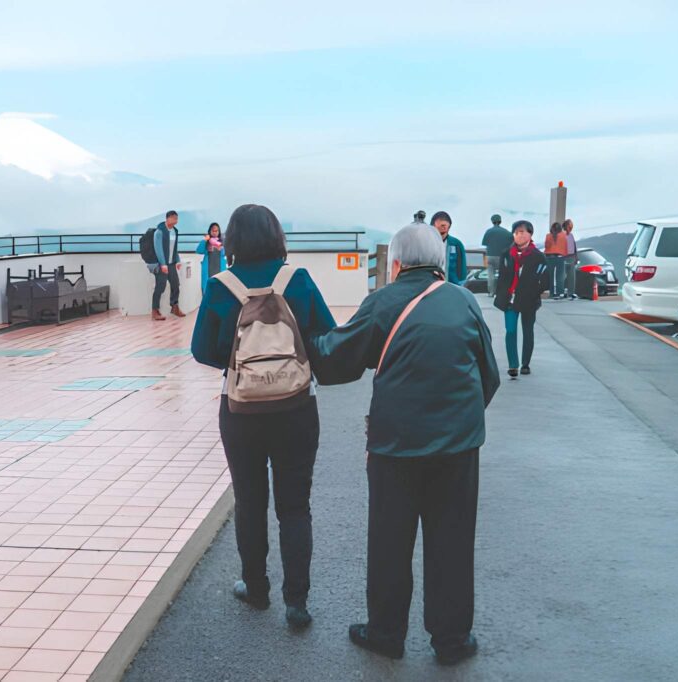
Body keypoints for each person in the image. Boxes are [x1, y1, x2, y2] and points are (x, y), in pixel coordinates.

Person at [308, 222, 500, 666]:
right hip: (458, 446)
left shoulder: (383, 301)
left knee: (390, 541)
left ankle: (385, 634)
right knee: (452, 540)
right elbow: (488, 374)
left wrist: (305, 333)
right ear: (439, 262)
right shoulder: (464, 300)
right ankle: (452, 640)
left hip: (395, 446)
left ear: (395, 264)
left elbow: (337, 358)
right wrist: (461, 423)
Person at [191, 204, 336, 630]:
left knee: (250, 500)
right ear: (277, 236)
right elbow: (326, 334)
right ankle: (297, 603)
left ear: (232, 239)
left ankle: (255, 588)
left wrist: (239, 364)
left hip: (241, 410)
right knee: (295, 506)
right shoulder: (297, 279)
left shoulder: (221, 286)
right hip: (296, 406)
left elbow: (201, 349)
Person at [494, 221, 548, 378]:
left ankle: (525, 364)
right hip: (510, 299)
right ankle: (513, 365)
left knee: (527, 331)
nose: (519, 235)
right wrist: (501, 293)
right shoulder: (506, 254)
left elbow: (545, 280)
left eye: (523, 232)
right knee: (510, 330)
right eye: (516, 232)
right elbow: (502, 277)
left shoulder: (538, 256)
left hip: (529, 300)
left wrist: (534, 292)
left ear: (530, 234)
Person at [150, 210, 185, 321]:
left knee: (176, 285)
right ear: (167, 218)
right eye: (174, 218)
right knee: (160, 287)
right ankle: (155, 310)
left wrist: (177, 260)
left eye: (177, 218)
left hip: (172, 264)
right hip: (161, 264)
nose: (176, 220)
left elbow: (174, 248)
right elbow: (158, 249)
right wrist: (163, 264)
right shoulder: (159, 232)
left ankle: (174, 307)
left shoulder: (174, 231)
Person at [481, 214, 513, 297]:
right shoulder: (506, 232)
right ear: (500, 221)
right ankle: (501, 292)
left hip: (490, 256)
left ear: (492, 221)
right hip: (501, 257)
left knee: (490, 275)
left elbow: (484, 243)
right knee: (502, 275)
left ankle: (491, 292)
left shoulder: (489, 231)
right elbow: (512, 243)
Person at [432, 211, 467, 285]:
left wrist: (461, 284)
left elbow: (462, 268)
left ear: (449, 226)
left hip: (452, 285)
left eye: (444, 225)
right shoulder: (426, 243)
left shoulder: (456, 244)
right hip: (431, 285)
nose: (442, 228)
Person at [195, 222, 228, 294]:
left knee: (220, 290)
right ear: (210, 231)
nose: (215, 232)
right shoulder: (207, 242)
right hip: (208, 270)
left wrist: (221, 248)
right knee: (207, 290)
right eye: (213, 231)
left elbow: (226, 253)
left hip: (220, 269)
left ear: (219, 232)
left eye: (216, 231)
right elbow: (199, 251)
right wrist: (204, 240)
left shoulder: (222, 241)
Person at [544, 222, 568, 298]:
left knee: (550, 277)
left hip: (549, 258)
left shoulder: (548, 236)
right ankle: (559, 293)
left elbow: (546, 246)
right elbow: (566, 247)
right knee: (559, 277)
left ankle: (552, 293)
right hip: (560, 258)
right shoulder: (564, 235)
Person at [563, 218, 579, 299]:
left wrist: (576, 257)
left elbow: (574, 246)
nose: (571, 228)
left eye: (571, 227)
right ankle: (562, 292)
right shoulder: (562, 235)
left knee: (572, 276)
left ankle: (571, 293)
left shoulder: (571, 235)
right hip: (564, 257)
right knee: (562, 276)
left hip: (572, 257)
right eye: (569, 227)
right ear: (565, 226)